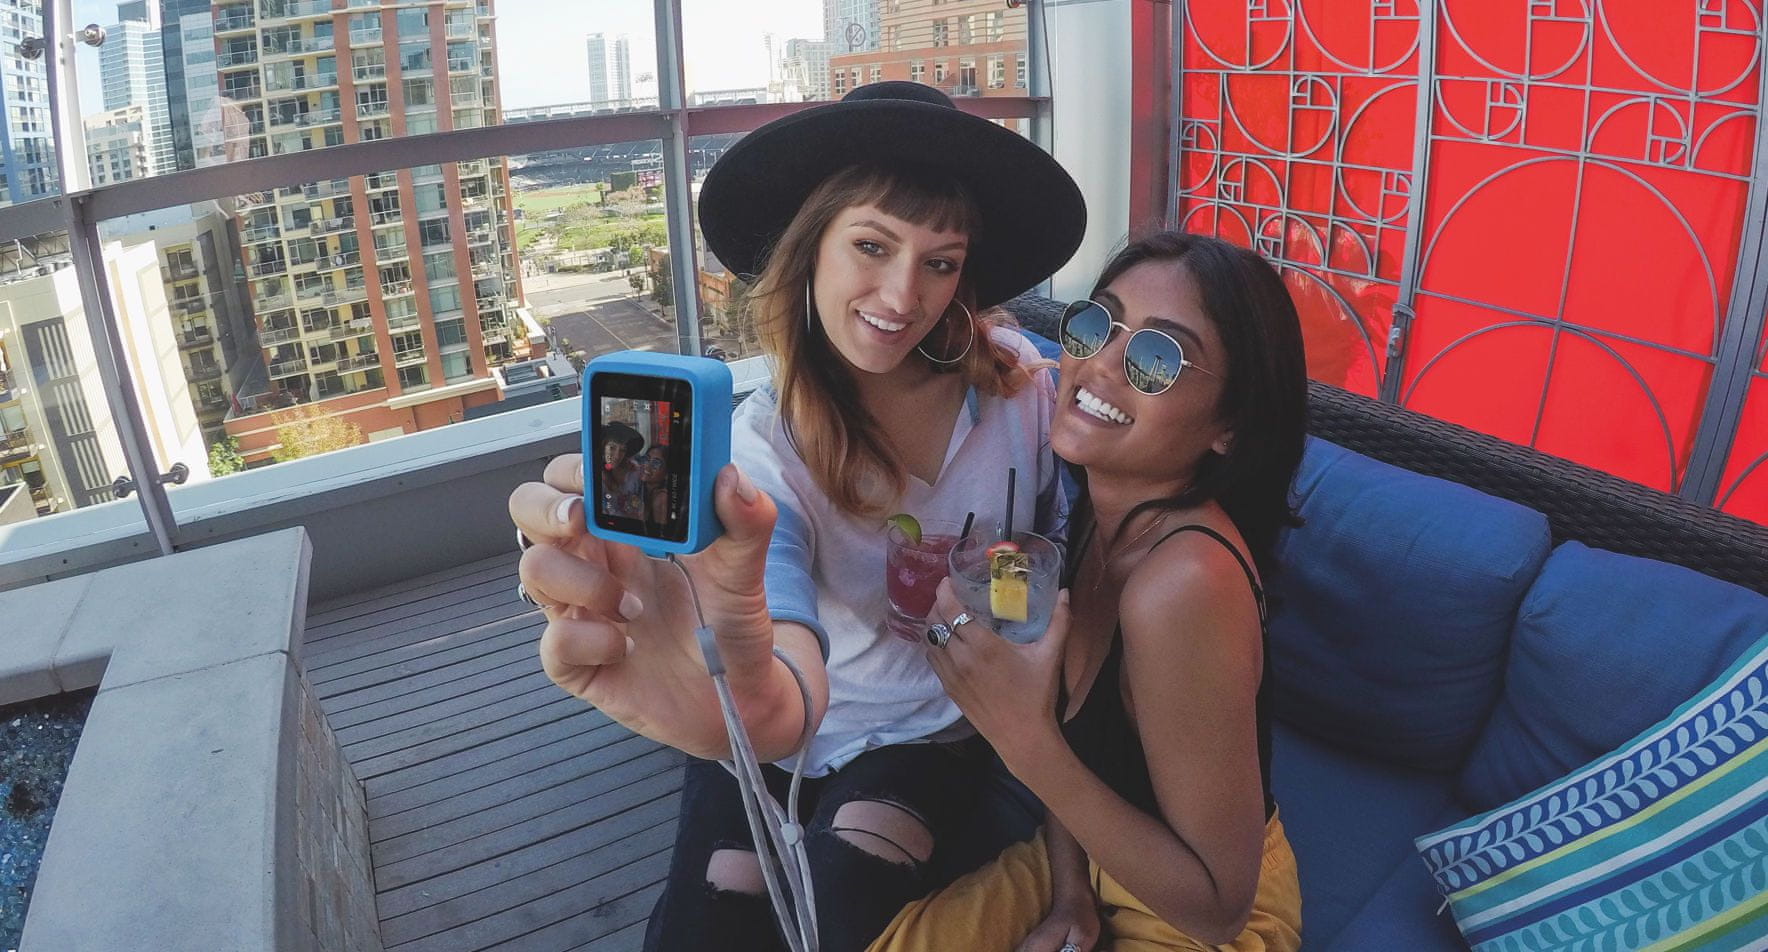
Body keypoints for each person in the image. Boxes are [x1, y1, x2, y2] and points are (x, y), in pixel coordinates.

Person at [507, 81, 1087, 952]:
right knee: (711, 918)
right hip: (785, 719)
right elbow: (781, 666)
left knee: (843, 897)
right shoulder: (766, 447)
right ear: (810, 247)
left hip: (930, 729)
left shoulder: (1018, 388)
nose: (904, 294)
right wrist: (745, 699)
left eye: (940, 262)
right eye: (872, 245)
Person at [868, 232, 1308, 951]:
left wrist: (1021, 736)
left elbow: (1219, 907)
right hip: (1091, 852)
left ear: (1229, 425)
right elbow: (1083, 756)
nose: (1101, 363)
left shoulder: (1183, 585)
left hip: (1201, 916)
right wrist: (1070, 896)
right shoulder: (1091, 523)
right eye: (1097, 324)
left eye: (1158, 357)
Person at [598, 422, 647, 521]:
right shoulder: (594, 475)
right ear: (603, 447)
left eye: (622, 450)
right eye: (612, 448)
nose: (617, 456)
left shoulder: (633, 471)